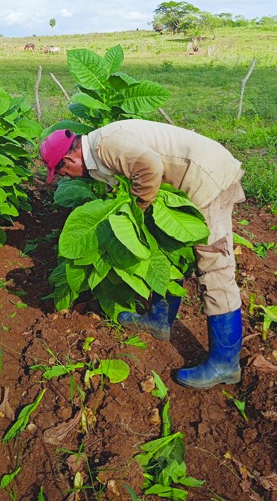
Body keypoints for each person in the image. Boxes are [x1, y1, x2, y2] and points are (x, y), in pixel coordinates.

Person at [40, 119, 245, 390]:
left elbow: (149, 167)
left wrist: (138, 212)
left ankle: (226, 363)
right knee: (166, 252)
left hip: (207, 181)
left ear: (69, 158)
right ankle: (160, 320)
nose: (65, 177)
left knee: (215, 270)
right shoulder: (98, 151)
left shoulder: (105, 145)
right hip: (189, 181)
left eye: (62, 171)